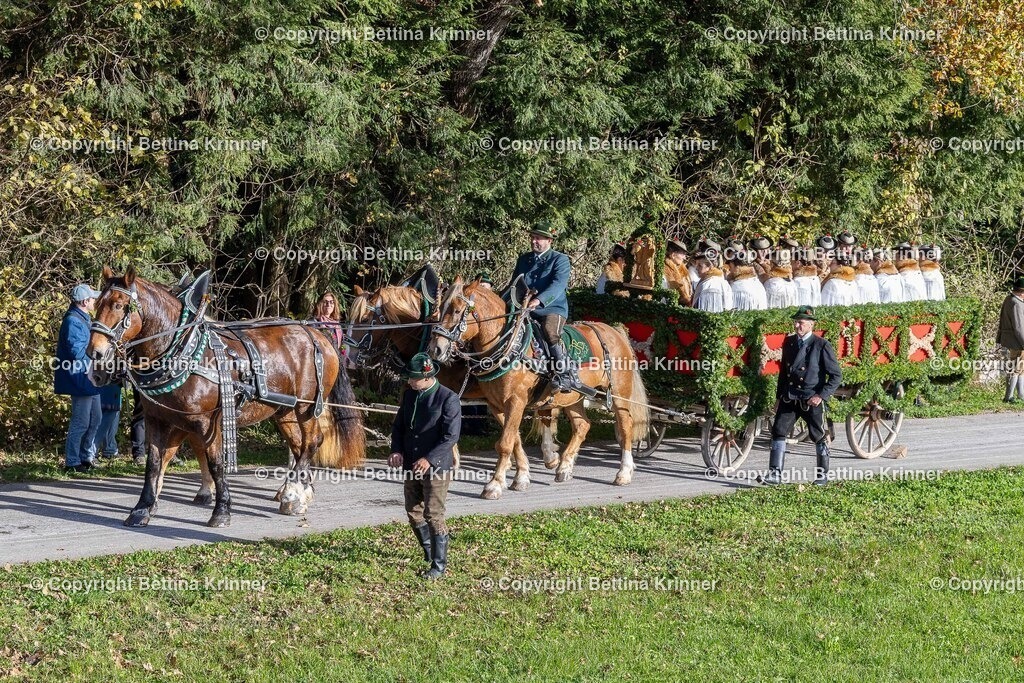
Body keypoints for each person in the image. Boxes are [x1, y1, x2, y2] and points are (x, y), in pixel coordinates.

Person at [387, 353, 460, 579]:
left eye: (413, 378)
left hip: (436, 467)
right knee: (413, 512)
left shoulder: (448, 398)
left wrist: (429, 459)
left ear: (427, 377)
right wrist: (396, 450)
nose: (409, 381)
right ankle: (428, 553)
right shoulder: (410, 395)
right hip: (411, 463)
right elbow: (399, 427)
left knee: (433, 514)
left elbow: (450, 436)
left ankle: (439, 566)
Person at [509, 221, 594, 396]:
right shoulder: (523, 259)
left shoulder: (560, 259)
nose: (534, 241)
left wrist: (539, 301)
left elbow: (558, 285)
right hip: (524, 308)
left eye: (538, 238)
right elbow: (514, 284)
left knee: (549, 331)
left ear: (549, 240)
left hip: (551, 308)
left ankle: (564, 374)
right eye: (532, 237)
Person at [762, 306, 842, 486]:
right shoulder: (789, 342)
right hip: (790, 396)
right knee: (778, 432)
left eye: (801, 322)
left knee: (819, 435)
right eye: (796, 322)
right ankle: (775, 474)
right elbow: (783, 372)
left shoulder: (821, 345)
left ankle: (822, 476)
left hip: (811, 398)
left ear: (811, 324)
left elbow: (836, 375)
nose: (797, 325)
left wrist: (821, 396)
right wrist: (778, 397)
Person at [54, 283, 102, 472]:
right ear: (85, 301)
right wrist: (99, 353)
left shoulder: (84, 318)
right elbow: (77, 352)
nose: (95, 302)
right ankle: (72, 462)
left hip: (90, 377)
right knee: (81, 422)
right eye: (93, 299)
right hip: (80, 377)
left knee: (96, 418)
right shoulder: (73, 321)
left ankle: (86, 456)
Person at [996, 277, 1024, 403]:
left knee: (1020, 368)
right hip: (1017, 341)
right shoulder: (1017, 303)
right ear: (1022, 292)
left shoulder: (1009, 299)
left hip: (1013, 340)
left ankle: (1020, 395)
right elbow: (1019, 327)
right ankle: (1009, 396)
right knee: (1015, 368)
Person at [691, 240, 734, 312]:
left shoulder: (710, 285)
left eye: (700, 265)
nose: (696, 268)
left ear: (710, 266)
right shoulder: (710, 281)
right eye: (696, 264)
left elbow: (708, 314)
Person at [764, 242, 799, 309]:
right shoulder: (792, 283)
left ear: (773, 264)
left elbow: (768, 307)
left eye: (771, 261)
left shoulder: (771, 283)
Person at [94, 382, 123, 459]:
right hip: (105, 383)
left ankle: (109, 449)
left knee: (111, 413)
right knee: (109, 414)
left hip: (112, 384)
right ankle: (105, 450)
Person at [662, 239, 693, 306]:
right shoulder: (664, 270)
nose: (684, 258)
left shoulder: (683, 270)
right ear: (673, 255)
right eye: (683, 254)